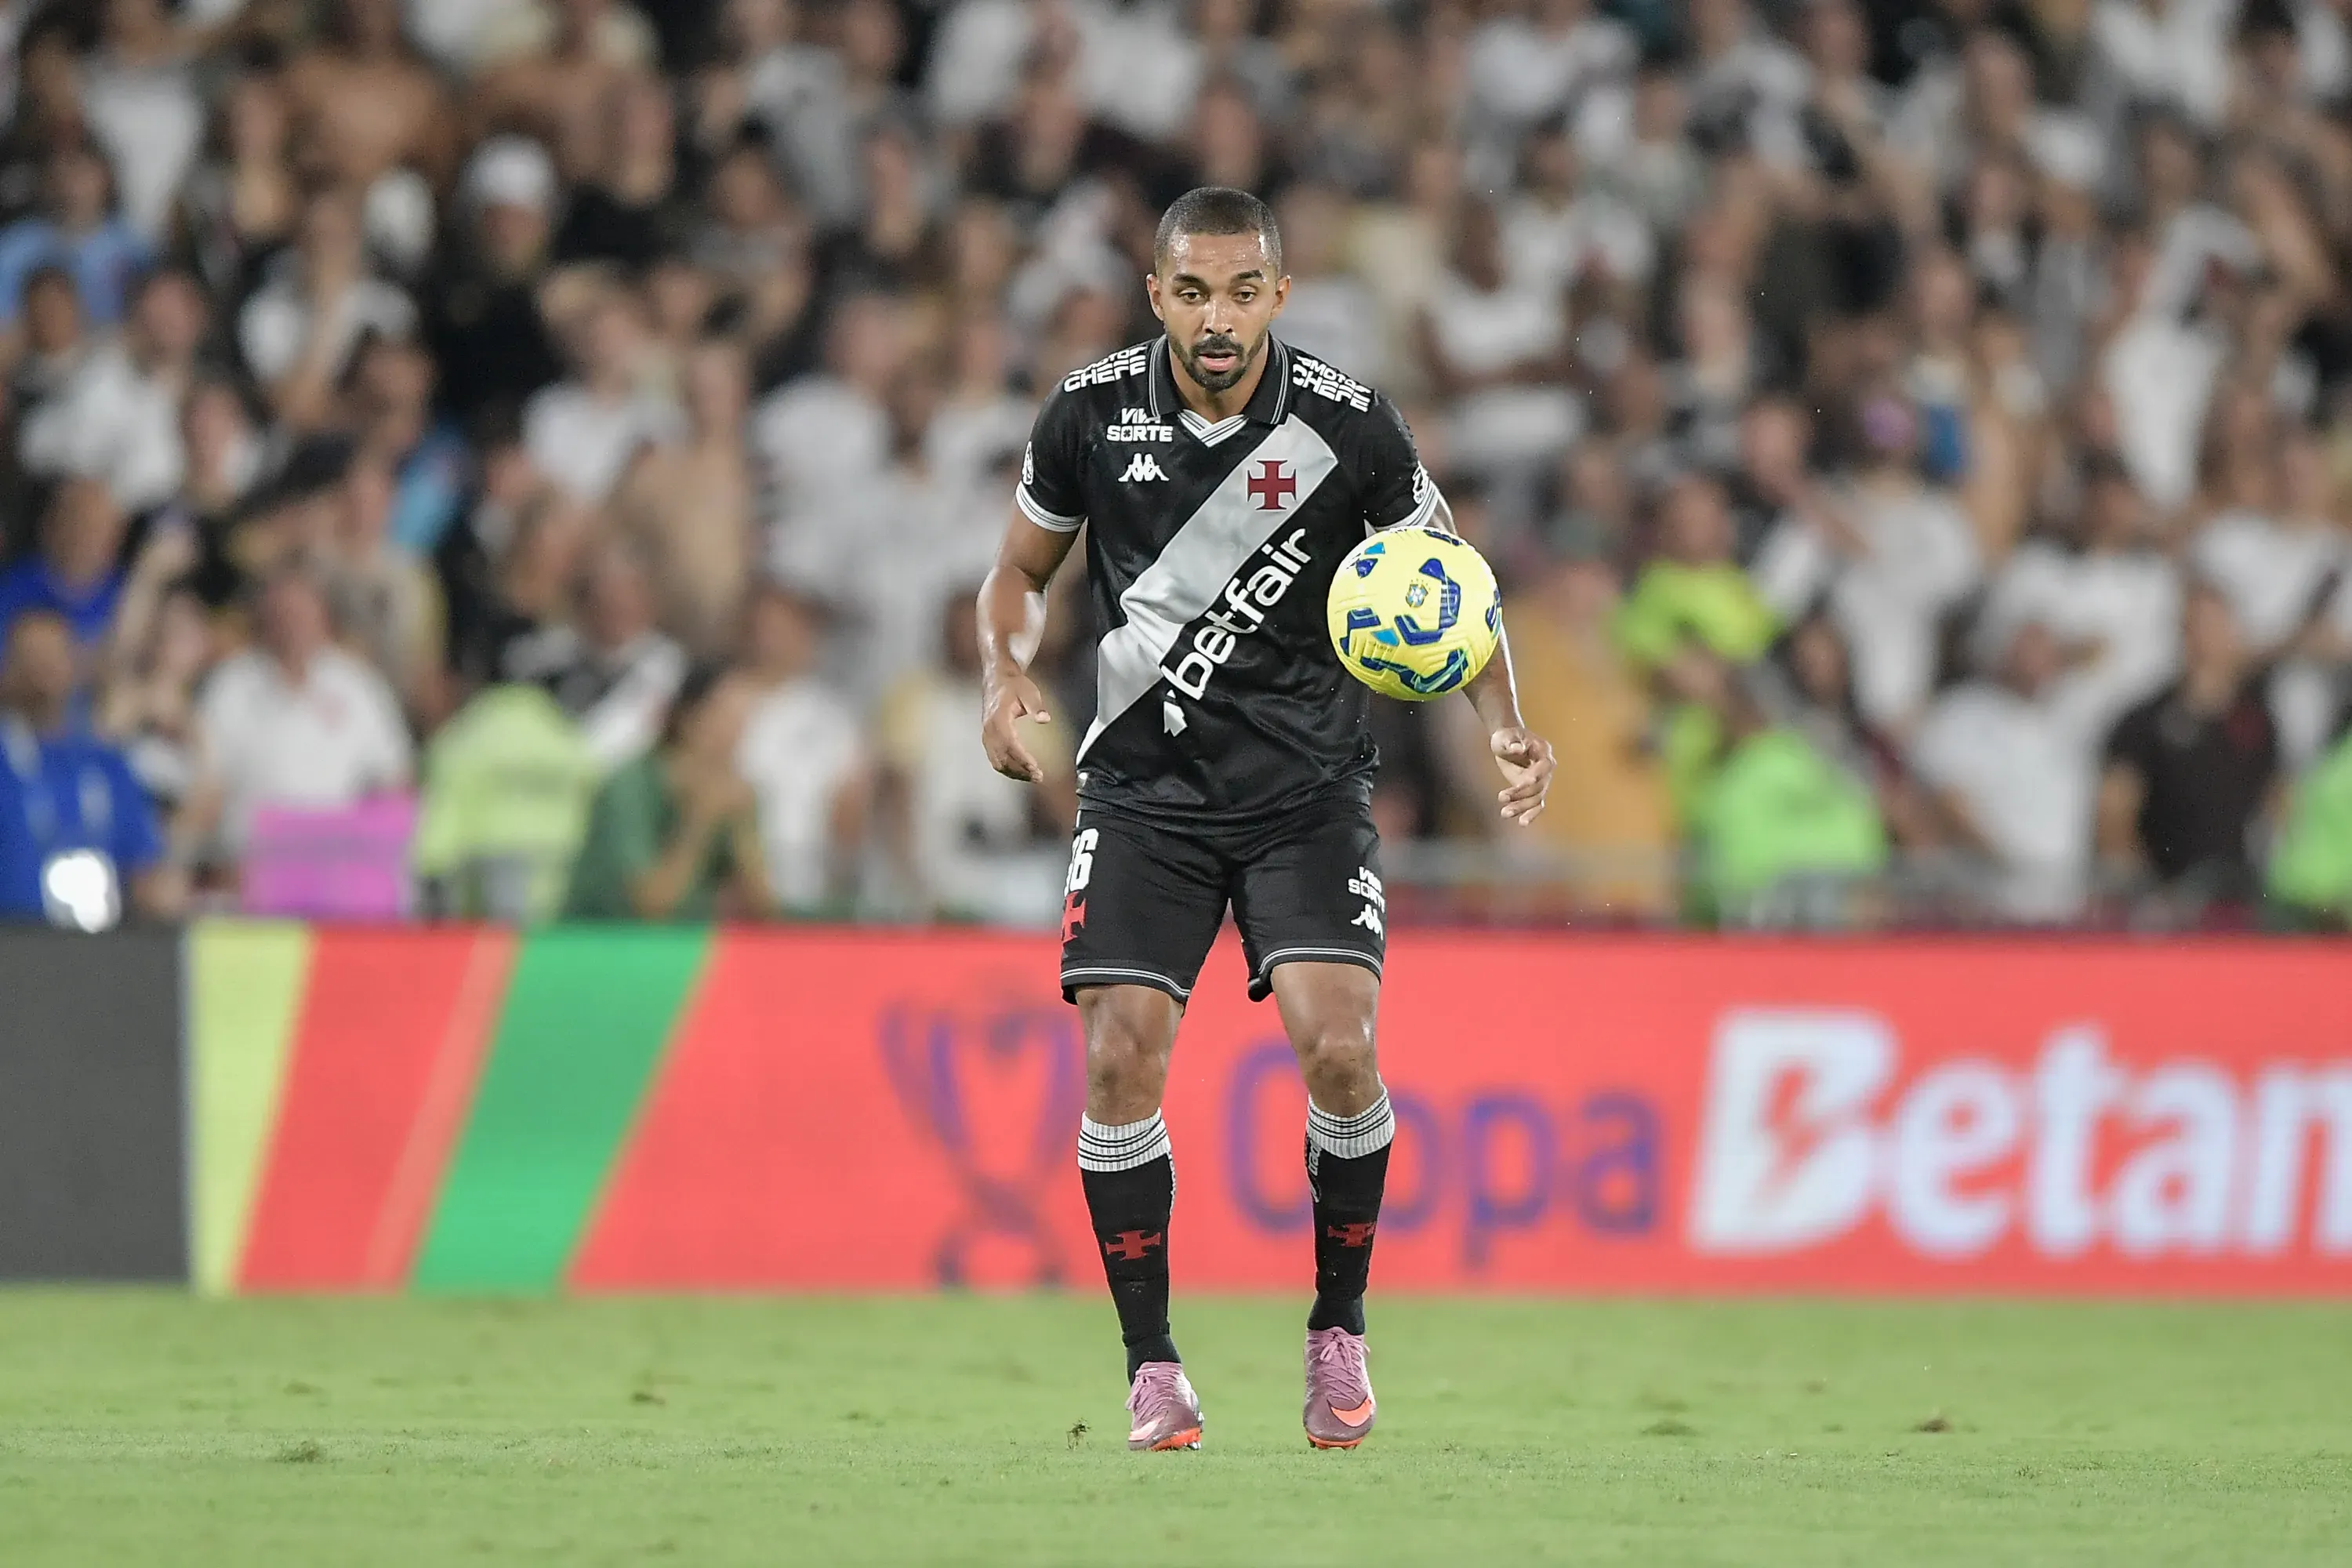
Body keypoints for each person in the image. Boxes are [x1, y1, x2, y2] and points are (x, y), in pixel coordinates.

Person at [976, 188, 1555, 1453]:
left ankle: (1336, 1329)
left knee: (1339, 1051)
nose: (1219, 318)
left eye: (1244, 292)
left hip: (1305, 798)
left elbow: (1458, 588)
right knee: (1120, 1055)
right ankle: (1152, 1368)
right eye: (1193, 292)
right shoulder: (1087, 414)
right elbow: (1019, 574)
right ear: (1157, 297)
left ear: (1280, 296)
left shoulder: (1350, 430)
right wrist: (1004, 673)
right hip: (1142, 795)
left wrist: (1501, 719)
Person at [562, 662, 773, 920]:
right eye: (726, 718)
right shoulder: (629, 787)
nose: (736, 735)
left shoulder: (734, 792)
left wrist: (743, 829)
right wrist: (698, 821)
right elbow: (650, 904)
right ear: (689, 718)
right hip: (599, 940)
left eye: (744, 721)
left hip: (689, 946)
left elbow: (764, 910)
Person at [0, 608, 170, 927]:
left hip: (100, 950)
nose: (43, 669)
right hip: (11, 948)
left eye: (54, 656)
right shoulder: (6, 763)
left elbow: (145, 873)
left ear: (74, 665)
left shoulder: (106, 763)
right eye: (31, 658)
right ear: (8, 670)